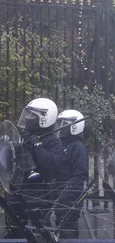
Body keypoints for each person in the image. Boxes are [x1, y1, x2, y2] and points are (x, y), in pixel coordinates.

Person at [4, 98, 62, 238]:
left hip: (38, 195)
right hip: (17, 191)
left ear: (44, 118)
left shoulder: (53, 141)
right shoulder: (23, 137)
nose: (27, 118)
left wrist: (37, 146)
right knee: (14, 231)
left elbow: (51, 165)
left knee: (38, 232)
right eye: (27, 114)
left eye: (32, 115)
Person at [52, 110, 89, 239]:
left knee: (68, 227)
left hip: (70, 194)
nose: (61, 127)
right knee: (60, 224)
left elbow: (80, 173)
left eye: (65, 124)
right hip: (59, 191)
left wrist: (68, 192)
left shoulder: (78, 147)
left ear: (74, 127)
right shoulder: (61, 144)